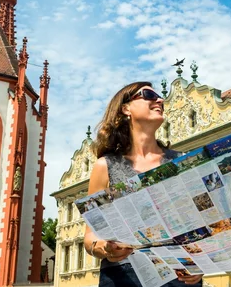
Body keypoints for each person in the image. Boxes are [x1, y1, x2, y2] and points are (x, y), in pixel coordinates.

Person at [84, 81, 203, 287]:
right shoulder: (105, 166)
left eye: (160, 97)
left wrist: (201, 265)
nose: (160, 100)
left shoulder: (182, 161)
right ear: (125, 108)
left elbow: (199, 226)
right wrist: (105, 248)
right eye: (148, 94)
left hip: (179, 276)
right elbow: (90, 236)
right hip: (124, 275)